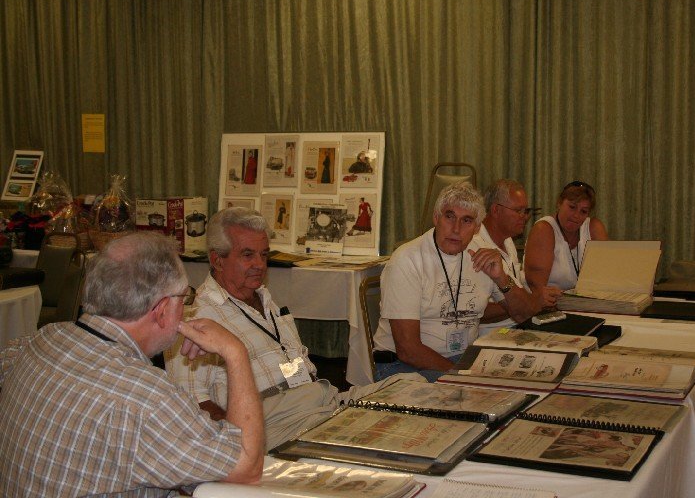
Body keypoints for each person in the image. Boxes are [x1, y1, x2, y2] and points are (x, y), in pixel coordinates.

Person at [0, 232, 264, 496]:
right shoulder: (146, 399)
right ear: (162, 310)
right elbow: (246, 467)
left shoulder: (38, 340)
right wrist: (235, 352)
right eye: (184, 299)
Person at [166, 207, 417, 450]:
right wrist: (243, 444)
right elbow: (193, 406)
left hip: (319, 397)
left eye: (264, 254)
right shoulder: (195, 319)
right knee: (377, 434)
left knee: (410, 384)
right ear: (217, 260)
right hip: (275, 420)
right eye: (247, 255)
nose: (260, 265)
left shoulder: (264, 298)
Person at [371, 182, 539, 382]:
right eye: (449, 217)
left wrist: (501, 278)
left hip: (462, 358)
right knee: (480, 392)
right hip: (402, 365)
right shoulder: (407, 259)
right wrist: (464, 376)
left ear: (477, 228)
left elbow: (524, 314)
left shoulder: (483, 254)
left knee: (529, 378)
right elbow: (409, 350)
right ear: (436, 218)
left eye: (467, 220)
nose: (456, 229)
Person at [470, 180, 563, 334]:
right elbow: (474, 312)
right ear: (496, 210)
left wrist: (535, 299)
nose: (524, 217)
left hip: (520, 325)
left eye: (526, 211)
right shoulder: (474, 246)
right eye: (518, 210)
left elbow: (517, 290)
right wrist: (531, 302)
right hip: (494, 334)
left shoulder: (507, 240)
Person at [524, 181, 608, 293]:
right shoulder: (544, 229)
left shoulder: (594, 228)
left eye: (583, 211)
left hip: (582, 300)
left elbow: (604, 277)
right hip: (548, 301)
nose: (576, 215)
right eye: (572, 207)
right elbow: (537, 288)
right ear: (559, 203)